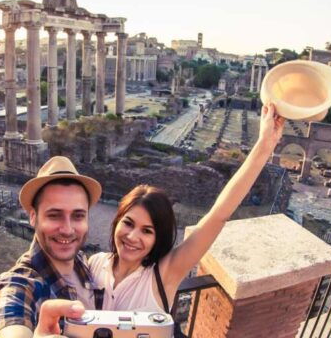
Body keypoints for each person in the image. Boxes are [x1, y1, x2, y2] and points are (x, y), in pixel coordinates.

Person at [88, 103, 284, 315]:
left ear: (158, 238)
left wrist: (265, 145)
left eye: (147, 231)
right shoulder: (95, 263)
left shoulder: (164, 275)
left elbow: (218, 215)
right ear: (117, 221)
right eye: (128, 223)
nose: (133, 236)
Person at [0, 156, 104, 338]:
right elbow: (12, 318)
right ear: (33, 217)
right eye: (54, 215)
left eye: (78, 216)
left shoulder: (81, 260)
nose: (67, 230)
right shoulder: (21, 282)